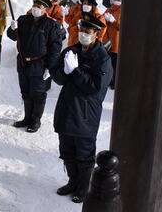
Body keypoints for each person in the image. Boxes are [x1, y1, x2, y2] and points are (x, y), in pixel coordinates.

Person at [51, 13, 112, 203]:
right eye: (81, 30)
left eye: (88, 31)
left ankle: (83, 187)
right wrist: (62, 69)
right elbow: (59, 78)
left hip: (85, 114)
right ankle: (72, 181)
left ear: (97, 34)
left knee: (84, 156)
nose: (83, 34)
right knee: (67, 151)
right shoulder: (71, 51)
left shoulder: (102, 59)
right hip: (67, 109)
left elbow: (95, 88)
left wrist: (76, 72)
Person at [7, 0, 62, 133]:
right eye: (34, 5)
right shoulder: (24, 19)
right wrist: (12, 29)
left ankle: (36, 120)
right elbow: (13, 37)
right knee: (25, 92)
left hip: (40, 64)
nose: (36, 8)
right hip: (23, 62)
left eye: (39, 6)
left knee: (38, 93)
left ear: (46, 9)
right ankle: (27, 118)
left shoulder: (52, 25)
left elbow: (55, 48)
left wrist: (49, 68)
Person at [103, 0, 122, 89]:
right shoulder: (108, 10)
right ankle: (109, 81)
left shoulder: (122, 10)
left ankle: (115, 83)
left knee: (116, 65)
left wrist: (113, 21)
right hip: (108, 42)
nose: (116, 1)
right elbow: (102, 23)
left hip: (117, 42)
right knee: (108, 64)